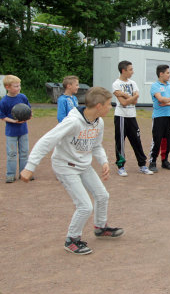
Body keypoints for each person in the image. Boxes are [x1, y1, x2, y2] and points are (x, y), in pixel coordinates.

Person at [20, 87, 124, 255]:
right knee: (84, 206)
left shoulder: (99, 121)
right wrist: (30, 167)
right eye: (108, 104)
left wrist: (104, 161)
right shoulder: (73, 122)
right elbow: (47, 141)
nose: (110, 107)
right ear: (98, 106)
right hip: (65, 166)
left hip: (83, 165)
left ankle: (100, 227)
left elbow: (96, 145)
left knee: (102, 196)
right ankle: (72, 240)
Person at [112, 60, 153, 176]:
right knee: (120, 142)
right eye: (130, 70)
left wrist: (125, 95)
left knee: (137, 140)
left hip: (132, 116)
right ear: (123, 71)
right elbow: (123, 103)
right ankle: (121, 166)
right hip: (120, 116)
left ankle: (142, 165)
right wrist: (131, 96)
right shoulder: (116, 84)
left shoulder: (133, 83)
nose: (132, 72)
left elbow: (134, 101)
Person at [0, 75, 31, 183]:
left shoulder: (22, 97)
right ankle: (10, 174)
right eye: (16, 86)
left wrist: (28, 116)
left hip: (23, 131)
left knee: (24, 152)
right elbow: (2, 116)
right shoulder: (4, 101)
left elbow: (28, 109)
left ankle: (24, 173)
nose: (19, 88)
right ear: (7, 87)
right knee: (12, 153)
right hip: (11, 132)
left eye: (19, 85)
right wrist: (14, 121)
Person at [148, 64, 170, 172]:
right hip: (159, 117)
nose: (169, 75)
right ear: (161, 74)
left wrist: (167, 103)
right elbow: (160, 99)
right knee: (157, 140)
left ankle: (165, 161)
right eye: (168, 73)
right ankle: (152, 162)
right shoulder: (155, 86)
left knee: (168, 140)